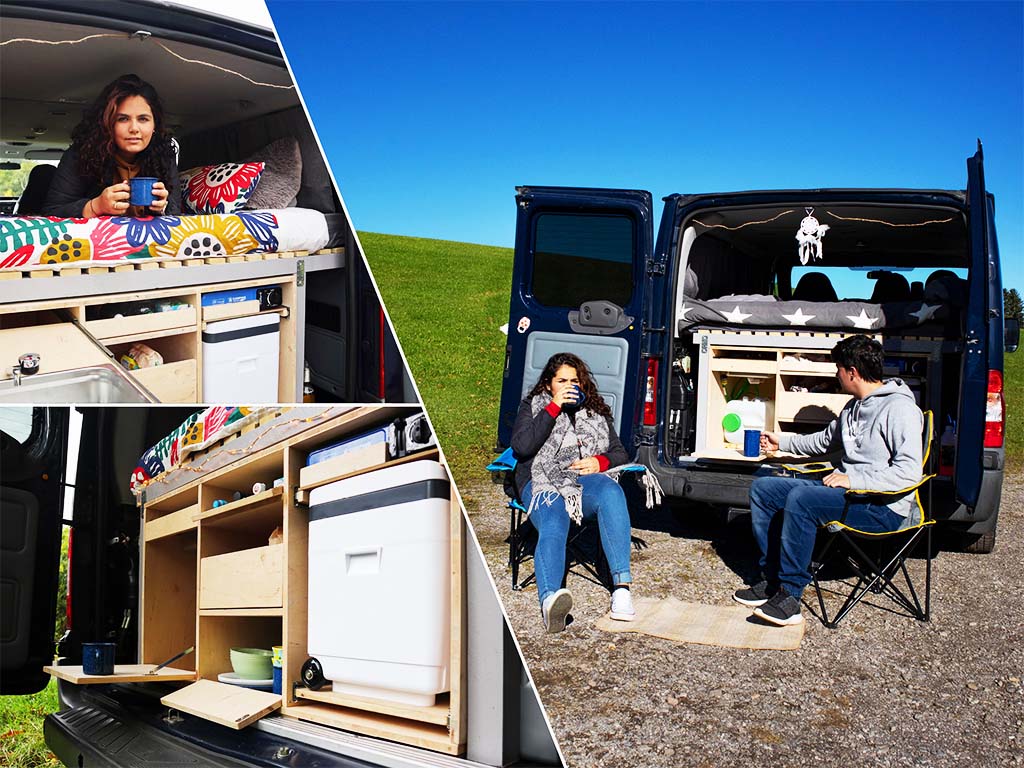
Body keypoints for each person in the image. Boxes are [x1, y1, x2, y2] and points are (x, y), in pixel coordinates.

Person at [734, 334, 923, 627]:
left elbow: (908, 472)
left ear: (852, 372)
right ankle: (771, 580)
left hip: (882, 507)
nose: (836, 374)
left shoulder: (900, 410)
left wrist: (853, 479)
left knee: (802, 500)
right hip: (851, 494)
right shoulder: (852, 408)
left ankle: (790, 595)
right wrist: (780, 442)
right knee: (764, 488)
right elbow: (822, 442)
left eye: (838, 369)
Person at [511, 352, 638, 633]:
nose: (570, 385)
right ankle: (550, 602)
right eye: (562, 381)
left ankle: (621, 589)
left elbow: (619, 452)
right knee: (555, 517)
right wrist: (554, 407)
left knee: (611, 492)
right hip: (542, 480)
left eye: (575, 380)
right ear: (548, 384)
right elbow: (522, 447)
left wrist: (599, 462)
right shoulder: (534, 406)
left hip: (583, 481)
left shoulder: (594, 411)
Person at [44, 74, 179, 218]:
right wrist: (96, 206)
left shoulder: (164, 156)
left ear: (154, 125)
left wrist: (164, 206)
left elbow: (177, 213)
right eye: (123, 119)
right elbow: (52, 212)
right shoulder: (81, 154)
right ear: (108, 123)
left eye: (143, 119)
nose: (134, 128)